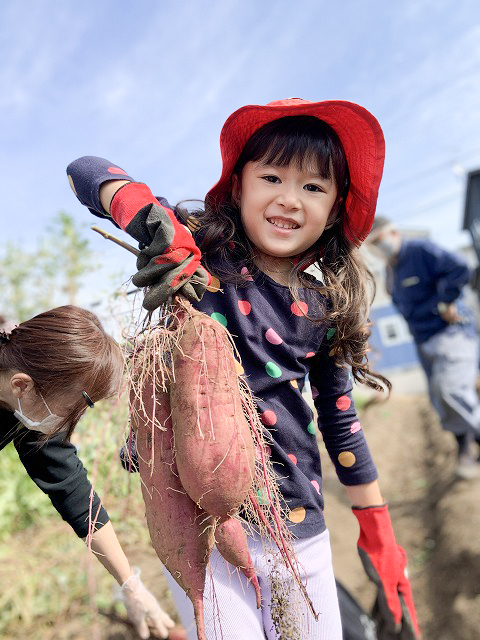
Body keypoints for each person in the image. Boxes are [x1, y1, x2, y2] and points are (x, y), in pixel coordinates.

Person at [67, 99, 421, 640]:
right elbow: (86, 172)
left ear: (334, 208)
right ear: (238, 187)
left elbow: (342, 423)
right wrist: (154, 222)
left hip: (299, 524)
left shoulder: (323, 310)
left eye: (313, 187)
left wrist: (378, 531)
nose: (288, 198)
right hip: (201, 529)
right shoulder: (202, 260)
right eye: (272, 177)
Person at [0, 305, 176, 639]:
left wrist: (131, 585)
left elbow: (74, 493)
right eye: (66, 412)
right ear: (22, 385)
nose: (66, 425)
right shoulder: (28, 397)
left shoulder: (23, 405)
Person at [366, 216, 480, 479]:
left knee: (451, 390)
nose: (378, 246)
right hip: (424, 341)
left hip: (450, 332)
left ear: (393, 233)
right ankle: (464, 450)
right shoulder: (391, 271)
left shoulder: (420, 251)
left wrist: (446, 301)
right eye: (373, 244)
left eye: (380, 239)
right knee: (440, 398)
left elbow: (460, 267)